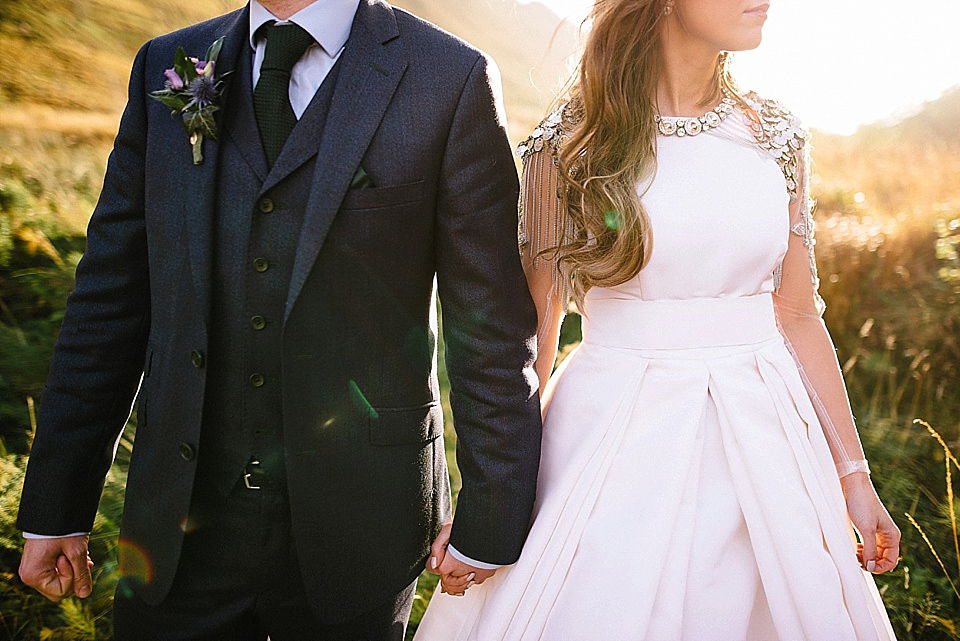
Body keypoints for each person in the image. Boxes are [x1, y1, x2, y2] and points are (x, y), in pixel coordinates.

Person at [16, 0, 543, 638]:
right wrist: (56, 505)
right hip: (177, 532)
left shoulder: (448, 78)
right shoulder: (169, 66)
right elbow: (109, 298)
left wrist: (491, 516)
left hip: (362, 529)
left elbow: (488, 323)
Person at [415, 0, 900, 638]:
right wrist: (495, 499)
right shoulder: (568, 146)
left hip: (768, 439)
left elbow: (799, 317)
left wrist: (854, 479)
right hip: (611, 437)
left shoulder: (777, 136)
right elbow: (536, 328)